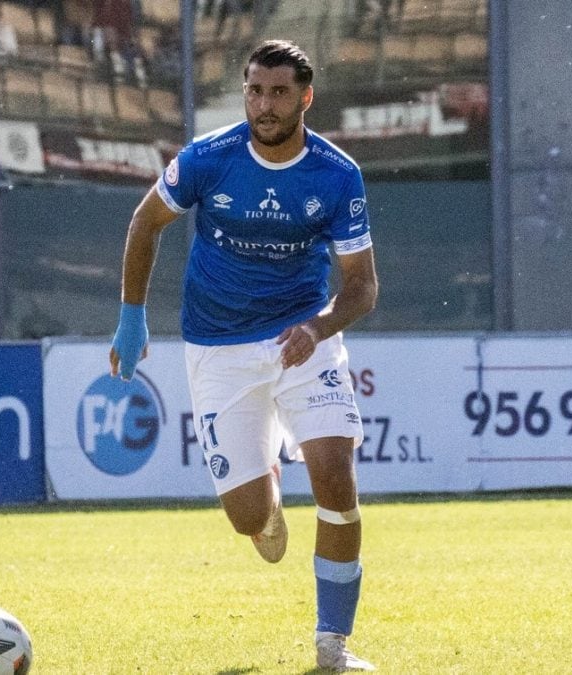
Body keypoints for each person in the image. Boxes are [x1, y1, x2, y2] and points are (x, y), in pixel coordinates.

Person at [109, 39, 378, 672]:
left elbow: (362, 286)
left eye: (279, 92)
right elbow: (146, 223)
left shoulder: (337, 175)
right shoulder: (211, 158)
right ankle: (267, 501)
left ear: (305, 98)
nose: (264, 104)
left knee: (336, 474)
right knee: (248, 519)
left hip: (301, 339)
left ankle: (332, 645)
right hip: (218, 346)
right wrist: (130, 318)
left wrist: (320, 327)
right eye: (255, 90)